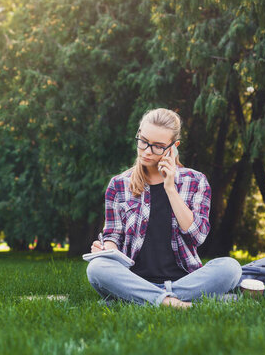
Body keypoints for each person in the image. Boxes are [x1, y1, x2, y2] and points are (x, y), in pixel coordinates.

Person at [86, 108, 242, 308]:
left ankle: (141, 299)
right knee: (97, 268)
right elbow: (113, 236)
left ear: (173, 147)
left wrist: (170, 188)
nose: (147, 151)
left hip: (185, 280)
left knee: (230, 268)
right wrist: (106, 249)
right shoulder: (118, 185)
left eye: (158, 146)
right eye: (143, 141)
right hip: (135, 279)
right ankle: (174, 301)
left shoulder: (196, 181)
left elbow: (198, 237)